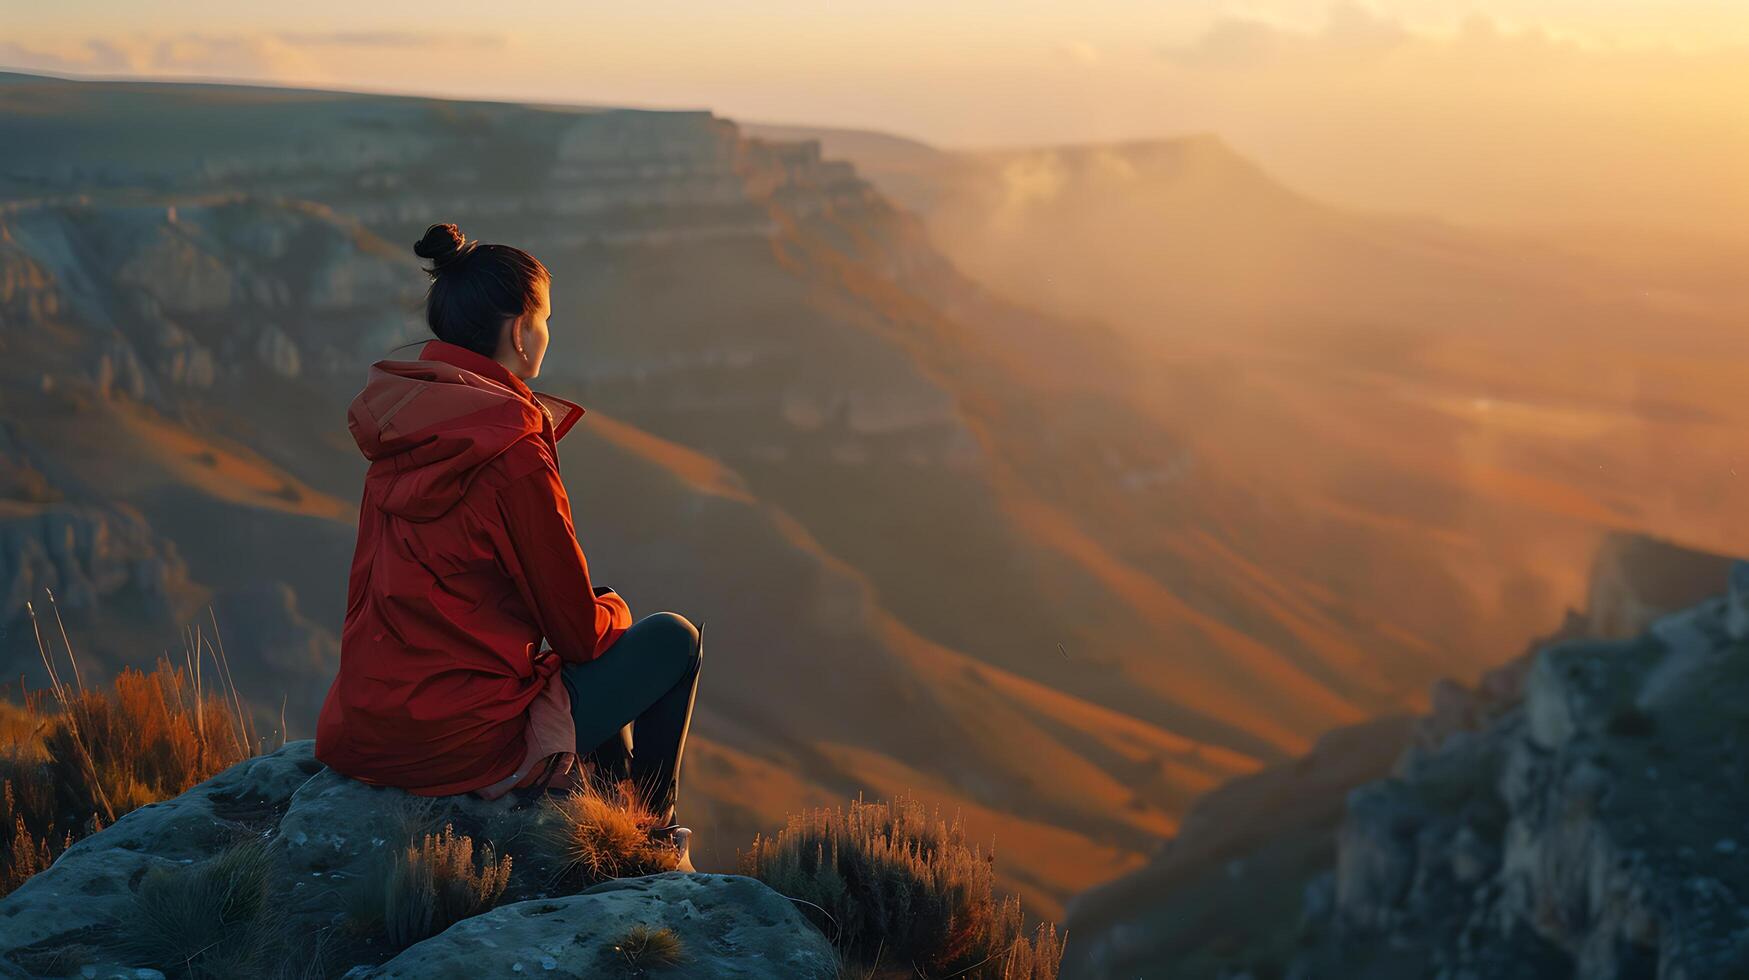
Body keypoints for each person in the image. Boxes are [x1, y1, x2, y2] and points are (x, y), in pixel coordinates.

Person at [314, 222, 702, 861]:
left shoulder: (402, 428)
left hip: (365, 725)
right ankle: (651, 837)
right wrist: (614, 610)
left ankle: (609, 813)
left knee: (581, 655)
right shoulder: (513, 448)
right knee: (669, 639)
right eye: (546, 319)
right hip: (459, 740)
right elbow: (576, 632)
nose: (547, 336)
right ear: (521, 331)